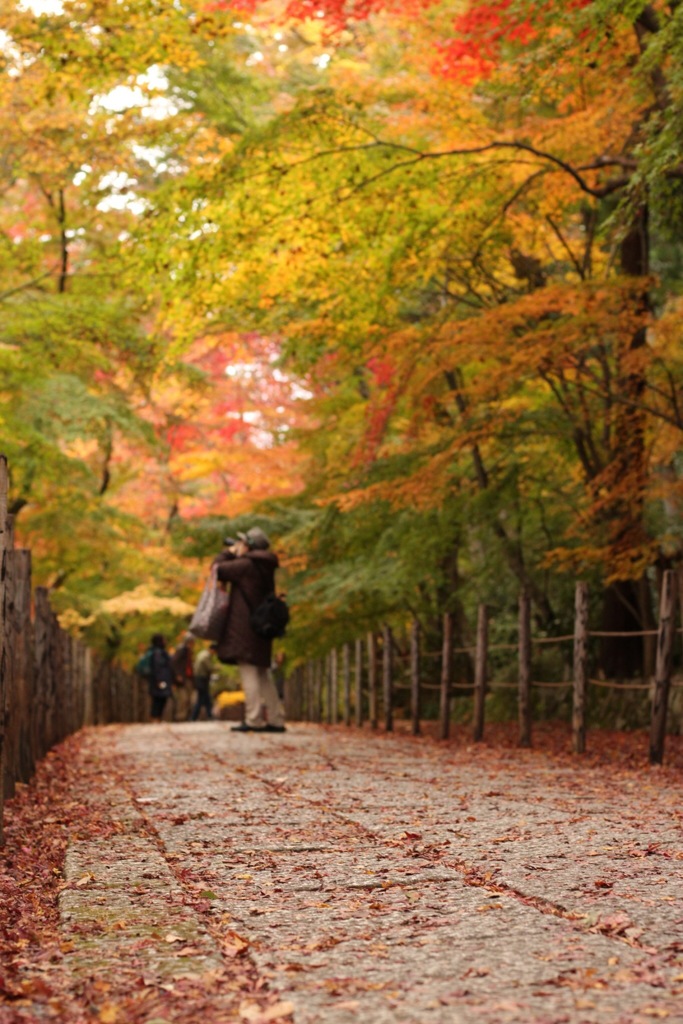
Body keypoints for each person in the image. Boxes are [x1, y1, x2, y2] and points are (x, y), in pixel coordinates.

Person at [213, 527, 286, 733]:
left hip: (245, 628)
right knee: (262, 674)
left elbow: (217, 569)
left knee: (249, 673)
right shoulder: (265, 566)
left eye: (243, 542)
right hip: (261, 628)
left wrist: (228, 553)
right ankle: (276, 718)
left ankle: (253, 719)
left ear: (250, 546)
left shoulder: (246, 565)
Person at [136, 634, 175, 724]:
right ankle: (155, 717)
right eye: (164, 640)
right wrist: (159, 680)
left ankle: (157, 717)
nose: (165, 642)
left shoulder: (158, 652)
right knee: (159, 699)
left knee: (160, 698)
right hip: (159, 680)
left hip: (158, 679)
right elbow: (158, 667)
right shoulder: (158, 653)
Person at [171, 633, 195, 721]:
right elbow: (174, 663)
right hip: (182, 678)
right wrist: (177, 675)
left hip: (189, 678)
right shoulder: (181, 650)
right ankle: (180, 717)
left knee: (189, 699)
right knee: (183, 698)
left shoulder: (190, 652)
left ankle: (186, 716)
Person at [191, 642, 216, 721]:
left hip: (200, 678)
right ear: (212, 650)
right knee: (201, 698)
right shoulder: (206, 656)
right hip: (201, 679)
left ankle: (209, 715)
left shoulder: (202, 654)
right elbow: (209, 668)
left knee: (206, 698)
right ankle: (193, 717)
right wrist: (217, 668)